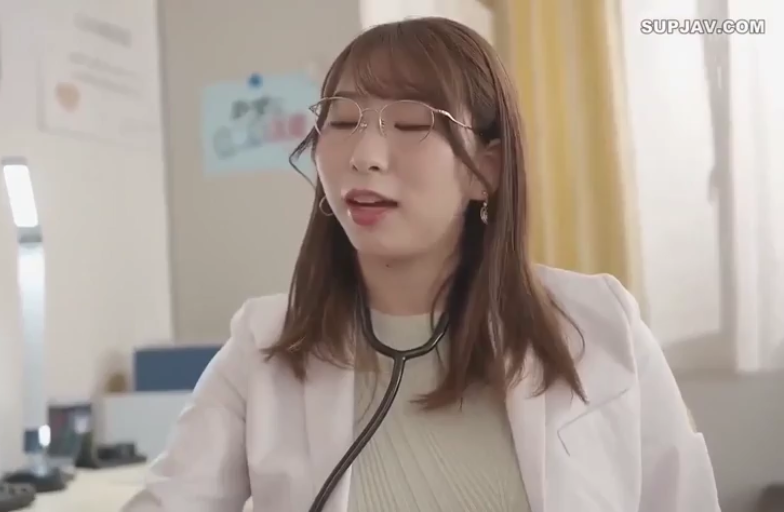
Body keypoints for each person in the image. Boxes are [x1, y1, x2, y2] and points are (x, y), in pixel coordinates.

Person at [122, 16, 721, 512]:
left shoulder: (600, 325)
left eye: (411, 123)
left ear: (486, 169)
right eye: (342, 120)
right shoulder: (262, 346)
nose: (364, 155)